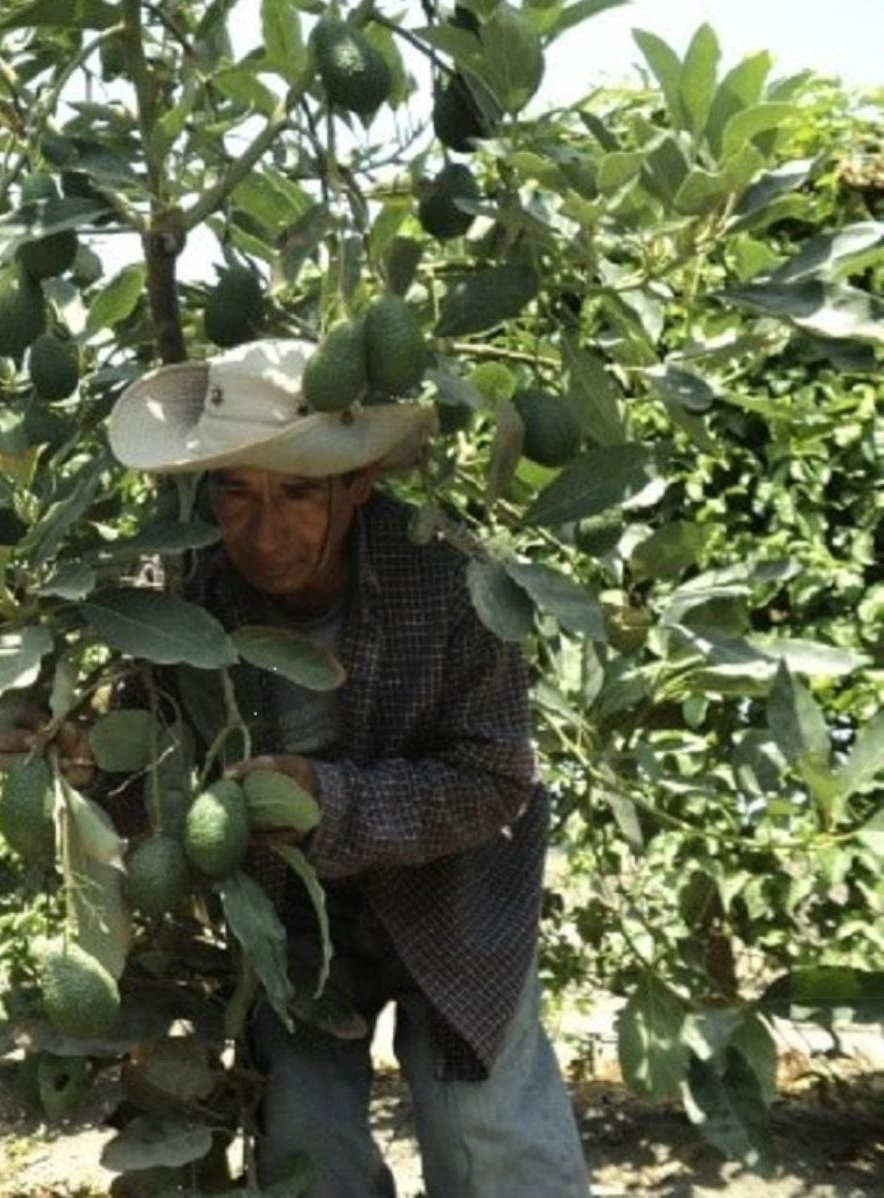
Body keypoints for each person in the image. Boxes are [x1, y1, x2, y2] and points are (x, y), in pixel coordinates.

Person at [93, 338, 589, 1196]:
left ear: (356, 487)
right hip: (290, 926)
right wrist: (72, 761)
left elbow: (498, 780)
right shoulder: (173, 595)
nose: (262, 530)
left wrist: (333, 802)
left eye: (296, 495)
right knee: (304, 1148)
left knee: (495, 1150)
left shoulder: (454, 579)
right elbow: (142, 778)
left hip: (455, 903)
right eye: (235, 494)